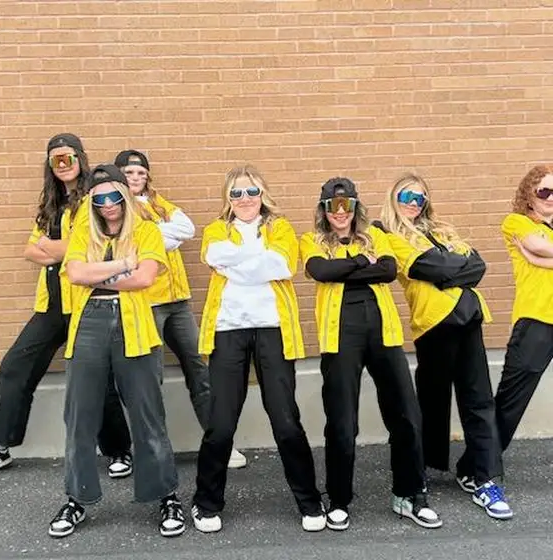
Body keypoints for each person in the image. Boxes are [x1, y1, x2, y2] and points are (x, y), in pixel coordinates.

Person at [47, 164, 183, 539]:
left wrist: (98, 273)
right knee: (79, 417)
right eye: (99, 198)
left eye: (114, 196)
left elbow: (145, 277)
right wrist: (123, 263)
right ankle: (77, 498)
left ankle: (166, 496)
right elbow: (75, 274)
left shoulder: (146, 230)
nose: (108, 204)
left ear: (125, 195)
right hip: (87, 325)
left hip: (134, 327)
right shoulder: (82, 231)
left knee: (147, 414)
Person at [300, 177, 441, 531]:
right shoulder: (312, 240)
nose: (340, 212)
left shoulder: (376, 234)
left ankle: (410, 494)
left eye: (347, 205)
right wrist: (364, 261)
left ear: (355, 207)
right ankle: (339, 499)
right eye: (333, 206)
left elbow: (389, 270)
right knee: (342, 421)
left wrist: (348, 268)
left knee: (407, 414)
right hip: (340, 337)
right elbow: (321, 270)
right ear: (324, 209)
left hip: (383, 333)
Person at [191, 165, 325, 533]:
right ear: (227, 198)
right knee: (220, 423)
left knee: (285, 420)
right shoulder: (216, 230)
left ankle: (310, 501)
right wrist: (258, 260)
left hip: (273, 330)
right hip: (227, 331)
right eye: (236, 193)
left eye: (251, 191)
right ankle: (206, 503)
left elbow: (281, 264)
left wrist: (237, 262)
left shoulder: (280, 227)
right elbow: (216, 256)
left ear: (262, 194)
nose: (245, 199)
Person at [0, 134, 131, 474]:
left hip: (86, 303)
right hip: (51, 305)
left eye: (68, 157)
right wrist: (61, 249)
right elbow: (30, 250)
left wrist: (54, 247)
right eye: (56, 159)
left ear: (80, 158)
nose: (63, 164)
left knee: (98, 379)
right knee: (14, 367)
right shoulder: (51, 204)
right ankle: (0, 444)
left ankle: (118, 451)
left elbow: (91, 246)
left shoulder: (94, 199)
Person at [380, 173, 512, 520]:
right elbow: (424, 266)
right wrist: (453, 268)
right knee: (430, 400)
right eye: (407, 196)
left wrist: (447, 271)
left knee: (479, 400)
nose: (414, 203)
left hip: (469, 318)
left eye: (420, 197)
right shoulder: (388, 234)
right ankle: (421, 471)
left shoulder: (442, 230)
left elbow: (478, 265)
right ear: (394, 198)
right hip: (434, 324)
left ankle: (484, 479)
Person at [114, 150, 246, 469]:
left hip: (178, 302)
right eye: (129, 173)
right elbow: (131, 242)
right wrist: (159, 235)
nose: (136, 178)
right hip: (147, 302)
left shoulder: (158, 203)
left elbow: (186, 229)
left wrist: (154, 235)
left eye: (141, 173)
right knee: (150, 378)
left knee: (200, 370)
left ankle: (221, 444)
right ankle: (153, 451)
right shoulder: (117, 210)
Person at [495, 165, 553, 452]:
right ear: (529, 195)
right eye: (544, 191)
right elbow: (537, 245)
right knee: (512, 398)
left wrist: (539, 261)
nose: (551, 197)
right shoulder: (516, 222)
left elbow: (541, 253)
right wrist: (538, 256)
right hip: (536, 319)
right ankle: (480, 463)